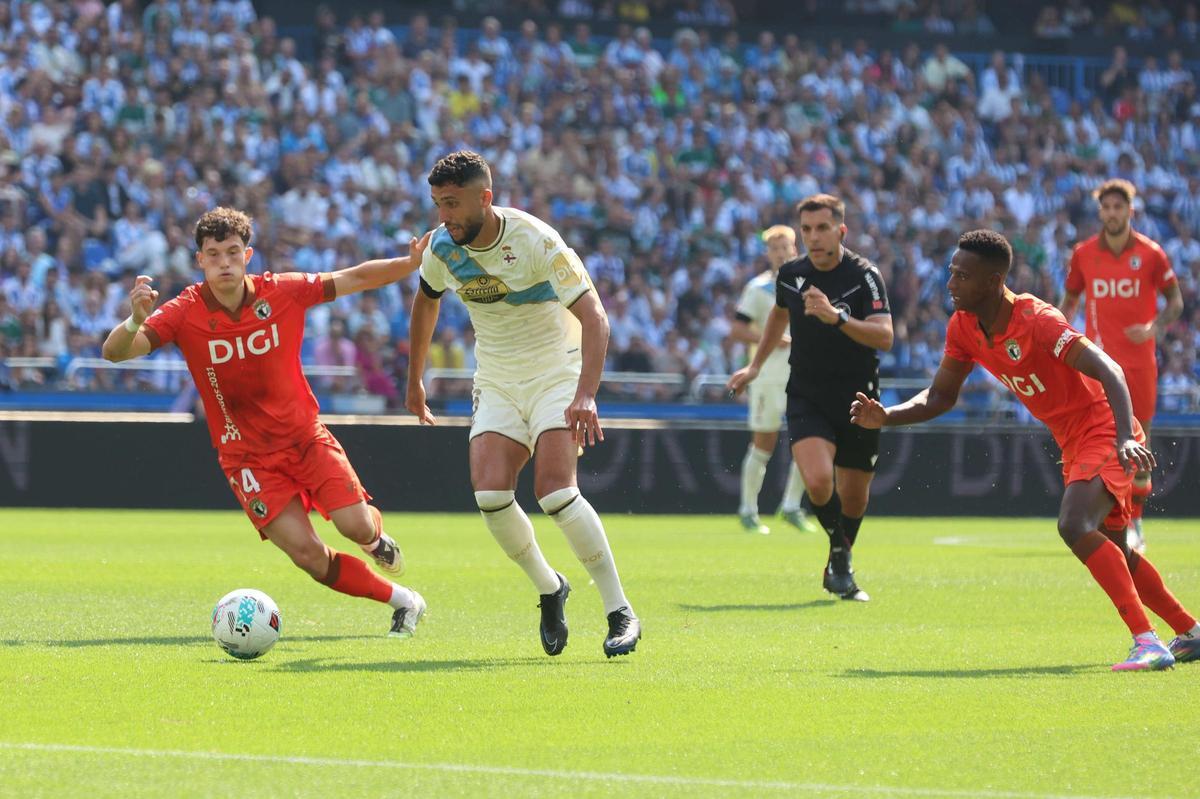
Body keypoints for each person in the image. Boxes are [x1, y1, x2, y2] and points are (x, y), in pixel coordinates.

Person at [851, 229, 1200, 671]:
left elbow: (1110, 369)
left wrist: (1125, 438)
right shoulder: (963, 326)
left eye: (962, 276)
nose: (951, 283)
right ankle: (1189, 631)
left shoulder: (1037, 320)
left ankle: (1146, 641)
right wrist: (887, 416)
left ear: (994, 281)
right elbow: (939, 396)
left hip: (1105, 427)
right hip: (1072, 439)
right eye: (951, 273)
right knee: (1114, 547)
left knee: (1073, 524)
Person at [101, 207, 431, 638]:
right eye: (213, 254)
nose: (224, 262)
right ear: (200, 260)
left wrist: (408, 263)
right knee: (309, 556)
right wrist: (135, 320)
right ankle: (404, 601)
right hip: (247, 459)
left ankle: (373, 541)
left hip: (305, 438)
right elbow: (115, 353)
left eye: (232, 252)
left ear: (247, 255)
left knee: (355, 526)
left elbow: (353, 278)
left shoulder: (283, 291)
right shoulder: (184, 311)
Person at [405, 150, 640, 658]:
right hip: (497, 379)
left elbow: (595, 317)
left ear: (485, 198)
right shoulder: (442, 247)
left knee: (555, 493)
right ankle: (550, 588)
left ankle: (619, 609)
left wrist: (586, 393)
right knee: (490, 494)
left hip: (557, 373)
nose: (443, 215)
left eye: (452, 203)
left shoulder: (536, 240)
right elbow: (425, 302)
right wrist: (414, 380)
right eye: (438, 203)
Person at [727, 194, 894, 602]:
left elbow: (885, 336)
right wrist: (755, 366)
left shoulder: (865, 275)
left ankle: (839, 558)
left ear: (841, 230)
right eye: (806, 229)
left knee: (854, 495)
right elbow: (778, 315)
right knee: (819, 481)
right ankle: (840, 554)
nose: (813, 237)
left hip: (859, 399)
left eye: (822, 228)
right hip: (807, 394)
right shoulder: (791, 274)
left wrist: (837, 317)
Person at [1060, 179, 1183, 553]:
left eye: (1118, 207)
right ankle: (1105, 518)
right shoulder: (1084, 254)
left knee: (1139, 442)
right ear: (1101, 212)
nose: (1112, 213)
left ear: (1130, 211)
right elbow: (1069, 301)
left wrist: (1154, 328)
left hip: (1139, 364)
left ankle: (1136, 522)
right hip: (1098, 365)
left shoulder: (1150, 254)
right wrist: (1057, 337)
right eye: (1106, 207)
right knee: (1095, 440)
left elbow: (1175, 302)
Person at [730, 224, 817, 535]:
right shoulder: (758, 288)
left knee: (809, 438)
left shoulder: (809, 284)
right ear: (767, 253)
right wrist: (770, 338)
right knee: (764, 442)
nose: (781, 253)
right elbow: (738, 330)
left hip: (803, 373)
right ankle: (748, 510)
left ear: (795, 249)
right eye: (775, 248)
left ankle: (791, 506)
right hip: (767, 375)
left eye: (785, 247)